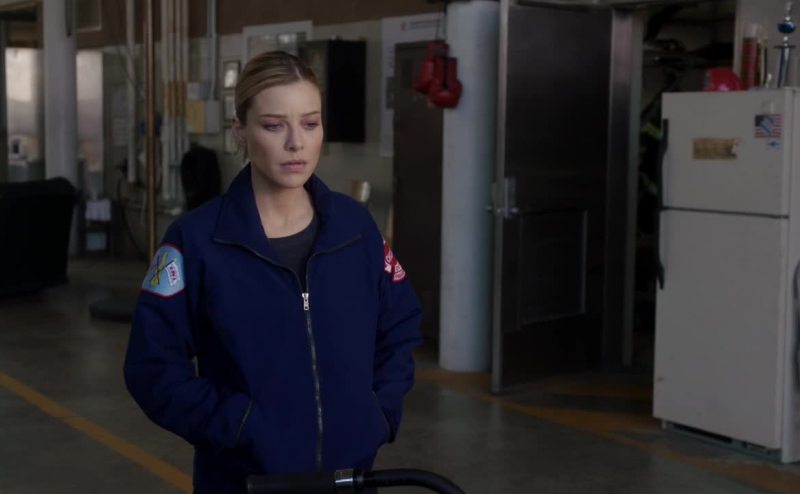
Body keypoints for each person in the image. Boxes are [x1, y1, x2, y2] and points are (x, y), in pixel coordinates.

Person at [124, 50, 422, 494]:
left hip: (350, 481)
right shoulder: (197, 241)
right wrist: (238, 425)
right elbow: (153, 367)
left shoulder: (354, 228)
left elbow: (400, 325)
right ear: (240, 131)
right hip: (244, 484)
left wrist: (378, 411)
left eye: (310, 123)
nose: (296, 143)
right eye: (274, 125)